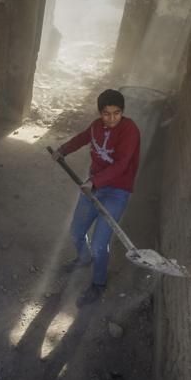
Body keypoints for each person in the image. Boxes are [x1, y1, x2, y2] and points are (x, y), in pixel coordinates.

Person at [53, 89, 140, 306]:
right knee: (76, 231)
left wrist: (95, 182)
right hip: (94, 186)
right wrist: (63, 149)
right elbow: (84, 138)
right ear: (100, 113)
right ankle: (83, 258)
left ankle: (98, 283)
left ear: (122, 112)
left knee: (100, 244)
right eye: (106, 114)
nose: (111, 118)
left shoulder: (130, 131)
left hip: (117, 191)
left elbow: (122, 165)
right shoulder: (96, 126)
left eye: (116, 113)